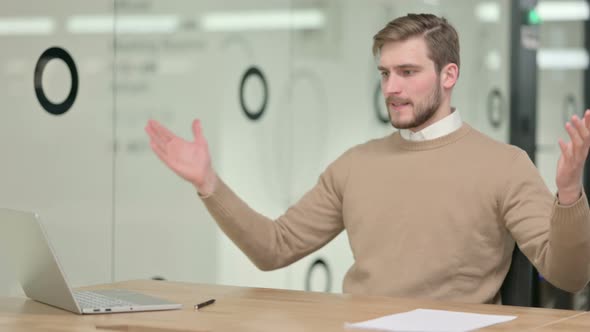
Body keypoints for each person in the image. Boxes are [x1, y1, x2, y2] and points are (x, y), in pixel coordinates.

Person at [145, 13, 590, 304]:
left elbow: (569, 277)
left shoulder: (504, 166)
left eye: (408, 72)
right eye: (385, 73)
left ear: (448, 74)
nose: (391, 87)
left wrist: (568, 196)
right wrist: (209, 183)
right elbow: (273, 248)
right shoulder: (355, 166)